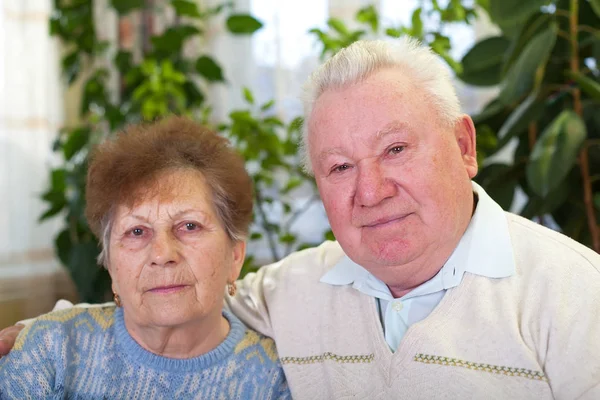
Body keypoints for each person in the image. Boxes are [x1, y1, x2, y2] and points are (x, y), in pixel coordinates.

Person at [2, 38, 600, 399]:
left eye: (395, 150)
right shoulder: (295, 290)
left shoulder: (574, 296)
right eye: (339, 167)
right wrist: (42, 335)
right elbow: (176, 293)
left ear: (464, 146)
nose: (371, 190)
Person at [0, 117, 290, 399]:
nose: (162, 254)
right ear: (111, 266)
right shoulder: (50, 351)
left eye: (189, 226)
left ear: (236, 257)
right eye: (137, 231)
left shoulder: (275, 380)